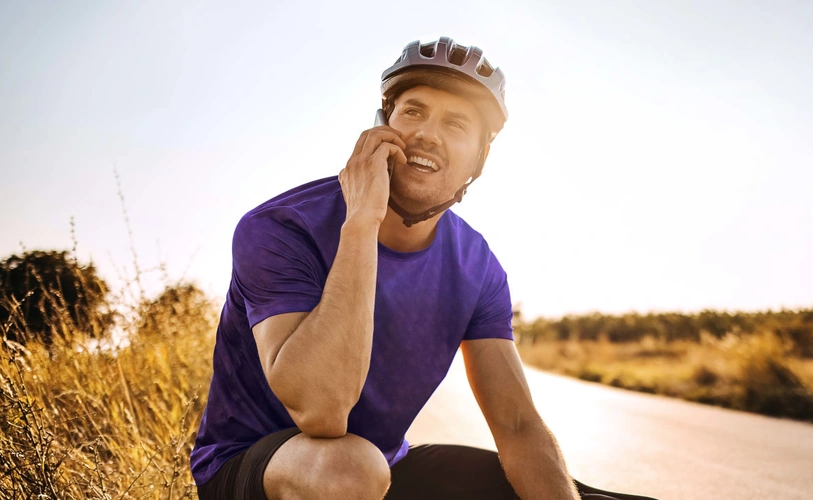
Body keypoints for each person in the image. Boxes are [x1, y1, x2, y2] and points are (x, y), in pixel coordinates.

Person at [190, 36, 656, 500]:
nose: (429, 134)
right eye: (413, 111)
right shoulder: (281, 228)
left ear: (479, 158)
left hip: (386, 469)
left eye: (455, 123)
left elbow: (517, 425)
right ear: (382, 125)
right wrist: (362, 222)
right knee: (349, 470)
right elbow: (321, 410)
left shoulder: (476, 265)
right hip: (258, 469)